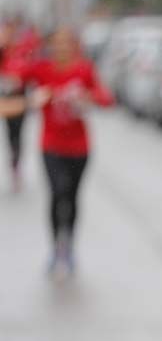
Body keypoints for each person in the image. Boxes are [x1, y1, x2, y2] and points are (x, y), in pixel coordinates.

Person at [21, 27, 114, 276]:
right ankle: (55, 247)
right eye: (57, 43)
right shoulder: (42, 69)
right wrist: (33, 97)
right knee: (56, 192)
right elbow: (15, 76)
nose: (61, 48)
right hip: (50, 145)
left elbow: (107, 98)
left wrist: (89, 96)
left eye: (66, 43)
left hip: (79, 147)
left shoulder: (83, 69)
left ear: (74, 46)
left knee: (72, 197)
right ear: (50, 45)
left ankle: (70, 243)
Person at [0, 16, 41, 191]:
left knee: (17, 134)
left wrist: (19, 81)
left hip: (19, 97)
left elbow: (31, 71)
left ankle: (15, 164)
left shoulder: (23, 49)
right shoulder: (2, 50)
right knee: (10, 133)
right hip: (3, 97)